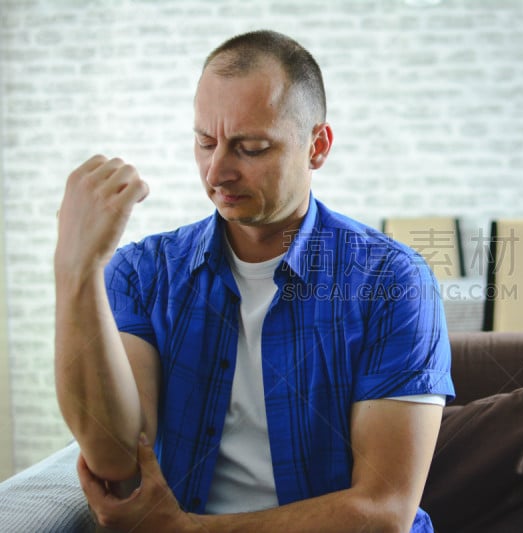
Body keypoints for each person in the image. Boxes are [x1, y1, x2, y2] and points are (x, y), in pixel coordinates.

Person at [54, 29, 454, 532]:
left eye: (251, 148)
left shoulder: (393, 281)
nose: (216, 171)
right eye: (205, 142)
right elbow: (117, 458)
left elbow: (384, 511)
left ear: (317, 146)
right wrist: (76, 273)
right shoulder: (144, 272)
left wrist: (184, 530)